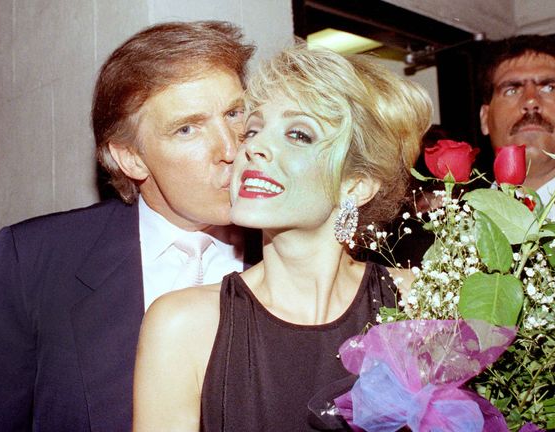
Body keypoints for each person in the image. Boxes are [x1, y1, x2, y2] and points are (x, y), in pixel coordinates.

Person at [0, 21, 254, 431]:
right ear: (131, 158)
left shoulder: (302, 249)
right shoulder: (36, 259)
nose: (233, 149)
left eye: (235, 113)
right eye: (187, 128)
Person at [132, 45, 433, 431]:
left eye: (298, 134)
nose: (252, 147)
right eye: (253, 130)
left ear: (356, 184)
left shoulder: (418, 304)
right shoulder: (183, 326)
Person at [478, 34, 555, 204]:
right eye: (511, 91)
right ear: (485, 119)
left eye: (550, 88)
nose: (530, 101)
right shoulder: (445, 226)